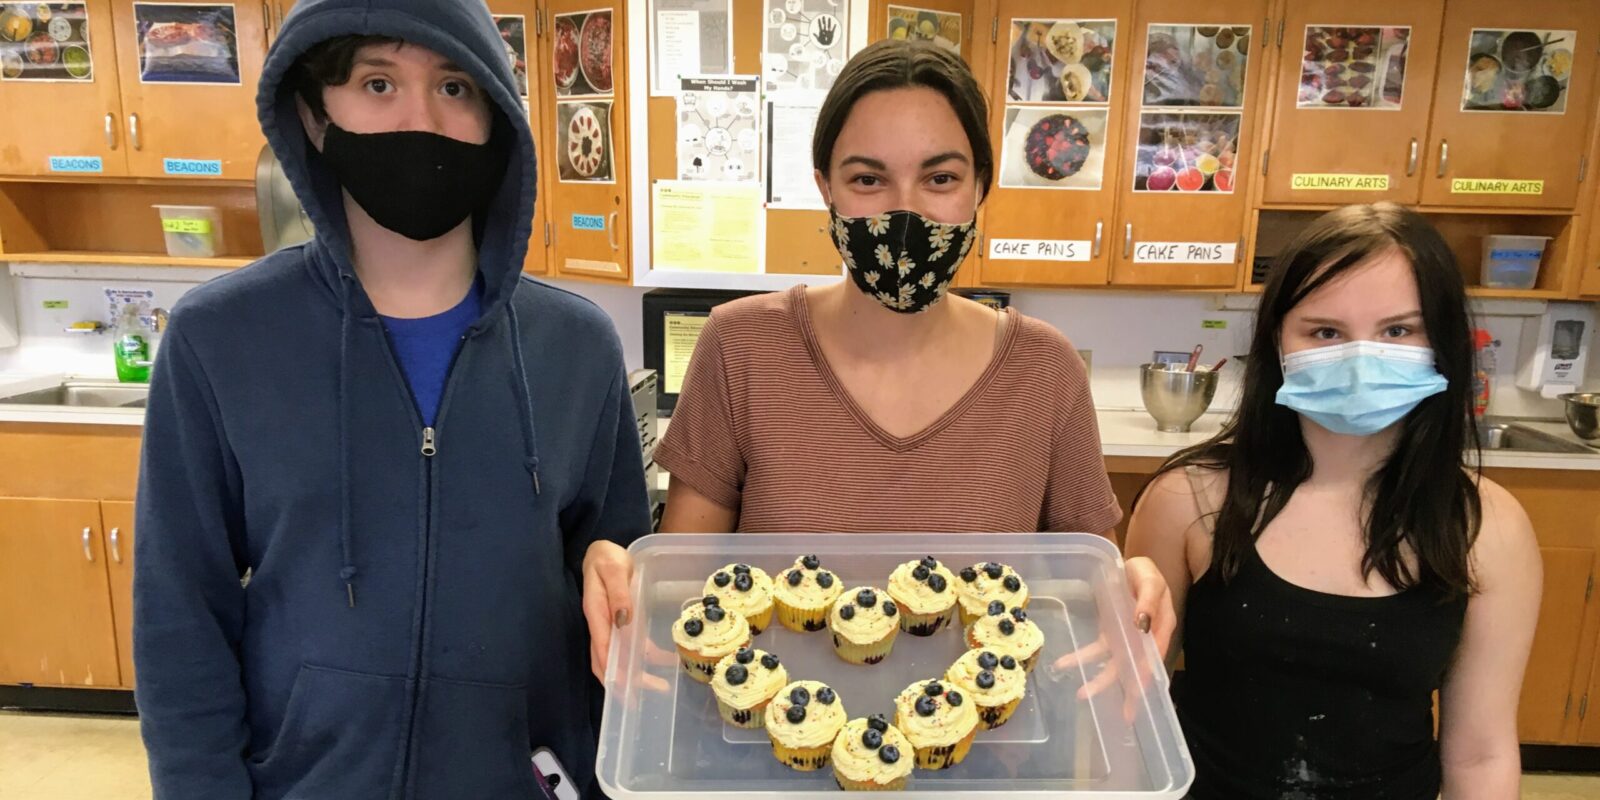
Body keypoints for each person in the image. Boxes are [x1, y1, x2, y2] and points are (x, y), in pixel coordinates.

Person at [132, 1, 647, 797]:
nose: (423, 121)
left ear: (496, 117)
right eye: (378, 83)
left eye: (454, 87)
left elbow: (614, 586)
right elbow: (180, 619)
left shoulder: (577, 347)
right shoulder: (218, 341)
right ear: (313, 113)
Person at [656, 39, 1173, 645]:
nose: (906, 214)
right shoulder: (741, 346)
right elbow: (681, 593)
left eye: (941, 178)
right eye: (869, 178)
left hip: (986, 736)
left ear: (981, 187)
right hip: (771, 733)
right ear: (826, 188)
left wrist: (1128, 587)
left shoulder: (1045, 371)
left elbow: (1090, 598)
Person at [1126, 203, 1540, 799]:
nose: (1360, 358)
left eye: (1398, 330)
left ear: (1442, 341)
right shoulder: (1187, 500)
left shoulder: (1486, 526)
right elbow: (1134, 716)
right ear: (1279, 342)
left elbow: (1481, 753)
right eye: (1325, 332)